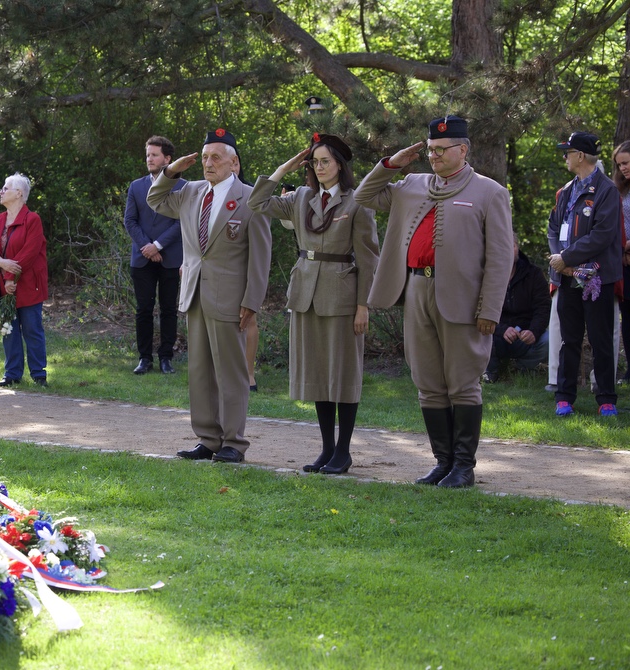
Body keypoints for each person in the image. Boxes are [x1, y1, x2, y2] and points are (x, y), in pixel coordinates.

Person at [354, 116, 513, 488]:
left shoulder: (489, 192)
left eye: (442, 150)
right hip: (417, 291)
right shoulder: (412, 184)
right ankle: (442, 462)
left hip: (462, 298)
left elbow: (501, 256)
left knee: (463, 382)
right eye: (430, 150)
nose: (434, 155)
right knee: (427, 381)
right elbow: (363, 196)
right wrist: (392, 164)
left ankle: (464, 466)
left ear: (463, 149)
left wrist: (489, 309)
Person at [248, 132, 380, 474]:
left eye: (326, 161)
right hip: (305, 293)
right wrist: (283, 168)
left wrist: (364, 305)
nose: (320, 167)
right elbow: (257, 203)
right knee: (320, 374)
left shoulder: (357, 202)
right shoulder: (302, 196)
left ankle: (344, 452)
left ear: (340, 165)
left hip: (342, 296)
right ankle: (327, 449)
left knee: (343, 373)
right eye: (315, 161)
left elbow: (369, 258)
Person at [148, 128, 272, 464]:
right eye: (204, 157)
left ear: (234, 162)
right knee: (200, 371)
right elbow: (155, 200)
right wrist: (171, 171)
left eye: (216, 157)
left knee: (231, 373)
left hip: (231, 298)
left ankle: (234, 442)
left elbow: (261, 256)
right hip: (196, 294)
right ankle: (208, 439)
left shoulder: (251, 197)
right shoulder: (190, 191)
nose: (208, 163)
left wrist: (252, 300)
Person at [548, 132, 623, 417]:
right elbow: (554, 228)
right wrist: (559, 260)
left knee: (601, 339)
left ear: (580, 156)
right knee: (569, 340)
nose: (564, 156)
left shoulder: (607, 190)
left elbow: (603, 235)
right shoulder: (567, 190)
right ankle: (564, 397)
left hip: (597, 279)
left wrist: (566, 258)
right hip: (566, 277)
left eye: (567, 152)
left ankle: (606, 398)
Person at [124, 135, 185, 375]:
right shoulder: (136, 186)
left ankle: (166, 358)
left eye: (154, 155)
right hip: (142, 258)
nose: (149, 158)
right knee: (143, 310)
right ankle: (144, 358)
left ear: (167, 159)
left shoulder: (182, 187)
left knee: (169, 309)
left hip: (170, 257)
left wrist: (158, 245)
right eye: (148, 154)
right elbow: (130, 221)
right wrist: (147, 247)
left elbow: (182, 222)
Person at [0, 173, 49, 387]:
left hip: (29, 285)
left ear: (19, 193)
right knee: (8, 329)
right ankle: (12, 374)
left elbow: (29, 253)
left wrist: (11, 276)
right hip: (3, 285)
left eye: (6, 188)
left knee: (32, 329)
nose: (1, 191)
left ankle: (39, 374)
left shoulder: (32, 219)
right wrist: (0, 263)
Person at [483, 233, 550, 383]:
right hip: (495, 334)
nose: (508, 250)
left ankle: (523, 368)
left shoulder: (534, 274)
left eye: (512, 246)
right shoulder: (486, 275)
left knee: (548, 340)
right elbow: (479, 308)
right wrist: (501, 329)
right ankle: (490, 371)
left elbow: (543, 308)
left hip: (524, 335)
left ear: (517, 248)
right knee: (478, 332)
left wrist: (533, 331)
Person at [612, 141, 630, 385]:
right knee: (627, 317)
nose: (623, 168)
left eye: (626, 163)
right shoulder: (619, 189)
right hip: (623, 262)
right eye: (619, 164)